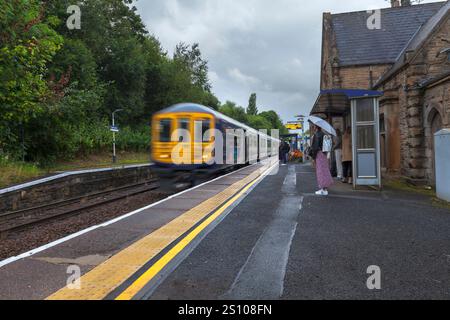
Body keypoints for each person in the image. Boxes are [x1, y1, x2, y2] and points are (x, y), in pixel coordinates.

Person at [310, 124, 333, 196]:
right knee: (325, 170)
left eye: (313, 126)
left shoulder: (316, 135)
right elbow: (328, 147)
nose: (313, 127)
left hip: (318, 154)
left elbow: (315, 148)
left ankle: (322, 189)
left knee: (320, 171)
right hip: (324, 154)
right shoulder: (324, 135)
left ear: (316, 127)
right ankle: (325, 188)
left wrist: (313, 158)